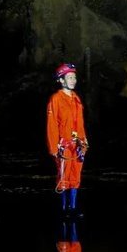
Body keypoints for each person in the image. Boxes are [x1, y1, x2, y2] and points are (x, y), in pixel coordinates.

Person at [46, 62, 89, 214]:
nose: (73, 80)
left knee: (75, 174)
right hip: (63, 144)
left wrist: (83, 142)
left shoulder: (76, 99)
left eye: (74, 77)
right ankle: (63, 209)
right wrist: (54, 147)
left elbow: (80, 123)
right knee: (63, 175)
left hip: (76, 144)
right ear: (61, 80)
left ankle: (73, 208)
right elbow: (52, 124)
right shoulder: (56, 99)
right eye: (69, 77)